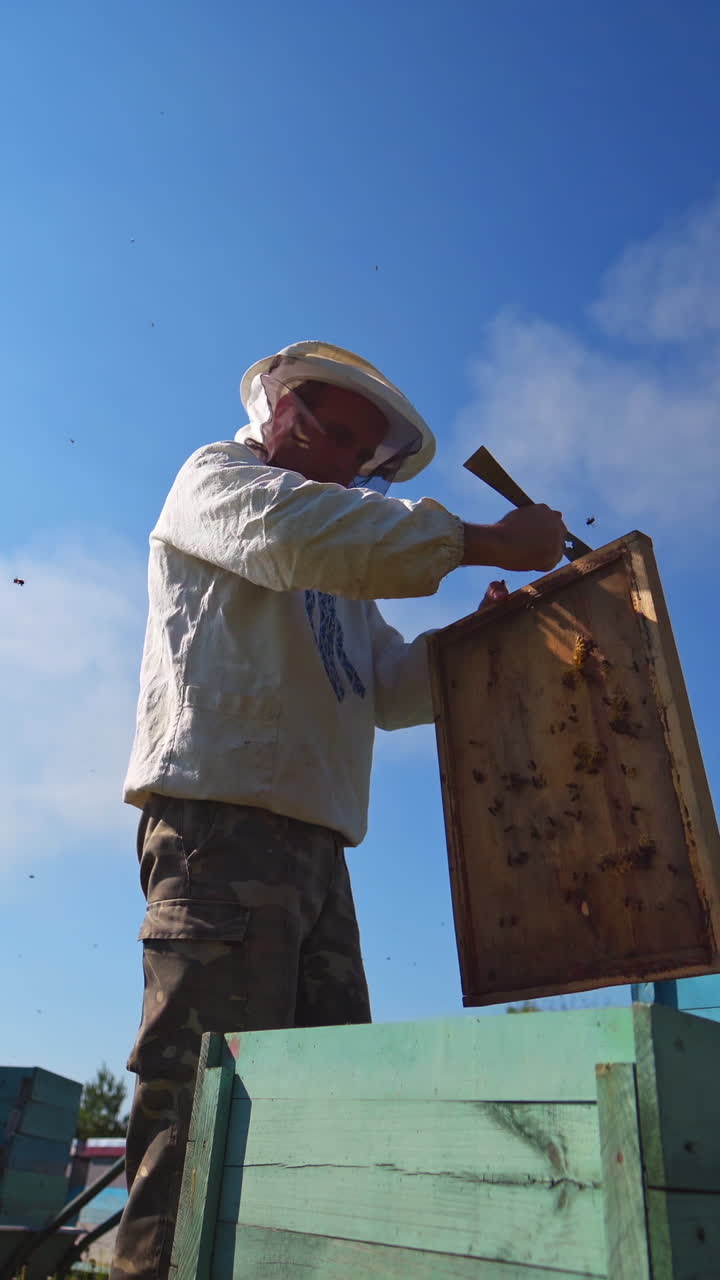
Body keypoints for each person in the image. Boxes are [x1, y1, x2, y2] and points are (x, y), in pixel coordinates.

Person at [111, 341, 565, 1279]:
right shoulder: (218, 481)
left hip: (318, 849)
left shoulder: (340, 562)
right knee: (203, 1104)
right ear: (279, 410)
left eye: (358, 447)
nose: (339, 453)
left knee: (313, 1118)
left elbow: (388, 686)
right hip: (219, 829)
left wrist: (483, 638)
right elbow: (294, 535)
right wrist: (481, 539)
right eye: (328, 426)